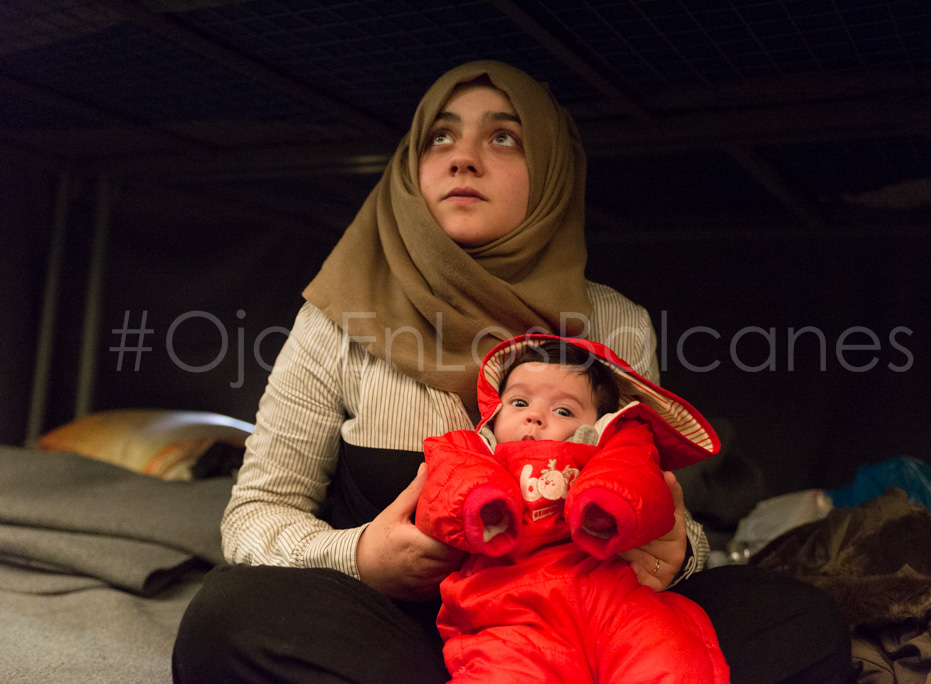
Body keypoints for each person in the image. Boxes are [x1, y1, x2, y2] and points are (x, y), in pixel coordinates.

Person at [172, 60, 852, 683]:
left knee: (802, 621)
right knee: (229, 619)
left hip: (587, 633)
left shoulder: (613, 325)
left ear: (553, 172)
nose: (463, 158)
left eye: (503, 139)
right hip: (395, 635)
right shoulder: (337, 321)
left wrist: (681, 554)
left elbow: (653, 497)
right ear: (411, 167)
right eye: (440, 137)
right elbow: (255, 516)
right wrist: (362, 557)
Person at [416, 335, 729, 682]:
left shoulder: (609, 448)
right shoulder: (474, 450)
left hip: (607, 591)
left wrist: (609, 504)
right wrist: (482, 505)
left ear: (597, 426)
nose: (534, 416)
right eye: (519, 402)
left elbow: (637, 478)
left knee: (665, 650)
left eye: (563, 410)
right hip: (510, 604)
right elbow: (446, 489)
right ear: (494, 410)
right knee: (504, 670)